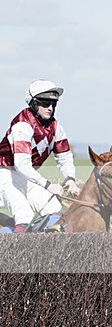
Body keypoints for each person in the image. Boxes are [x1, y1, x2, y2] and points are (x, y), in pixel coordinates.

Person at [0, 80, 79, 232]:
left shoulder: (55, 126)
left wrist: (70, 178)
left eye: (53, 104)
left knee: (55, 211)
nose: (50, 108)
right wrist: (49, 186)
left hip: (25, 176)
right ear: (34, 103)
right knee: (25, 216)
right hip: (5, 174)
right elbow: (22, 165)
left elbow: (64, 157)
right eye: (45, 103)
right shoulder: (22, 125)